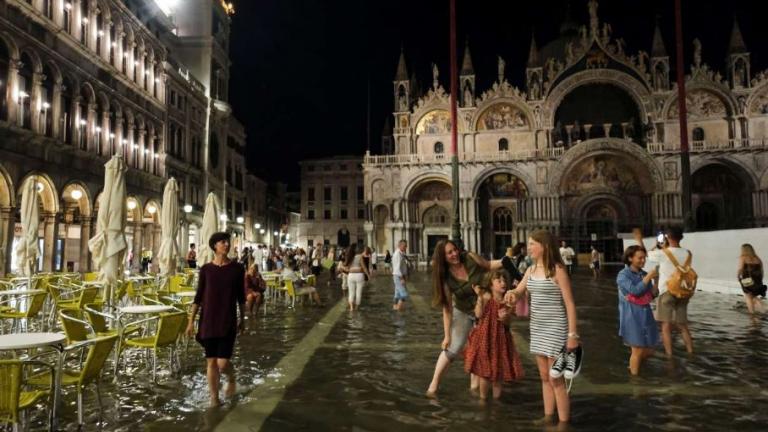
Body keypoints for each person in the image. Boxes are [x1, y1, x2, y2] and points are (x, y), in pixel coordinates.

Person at [504, 230, 580, 427]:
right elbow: (519, 291)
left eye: (532, 244)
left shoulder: (558, 270)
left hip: (556, 328)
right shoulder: (530, 270)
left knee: (556, 379)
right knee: (544, 377)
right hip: (537, 328)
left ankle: (563, 424)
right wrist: (511, 294)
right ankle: (548, 418)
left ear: (544, 246)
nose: (528, 248)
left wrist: (572, 335)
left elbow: (570, 304)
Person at [425, 239, 504, 397]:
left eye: (455, 250)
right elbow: (447, 308)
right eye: (449, 253)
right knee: (453, 348)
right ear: (443, 257)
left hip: (485, 310)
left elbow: (488, 265)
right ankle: (433, 384)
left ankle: (475, 387)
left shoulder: (470, 257)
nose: (454, 254)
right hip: (463, 311)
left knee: (482, 349)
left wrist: (506, 261)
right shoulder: (445, 277)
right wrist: (447, 335)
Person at [186, 232, 246, 407]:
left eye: (227, 242)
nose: (226, 245)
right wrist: (191, 322)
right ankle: (214, 398)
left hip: (227, 320)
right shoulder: (205, 269)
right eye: (222, 242)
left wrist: (243, 319)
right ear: (214, 246)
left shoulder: (237, 269)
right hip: (208, 321)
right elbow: (198, 297)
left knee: (222, 362)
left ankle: (232, 377)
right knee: (211, 361)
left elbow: (241, 297)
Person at [464, 269, 524, 400]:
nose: (503, 283)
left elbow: (509, 323)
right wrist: (479, 297)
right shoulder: (486, 297)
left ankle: (497, 399)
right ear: (491, 284)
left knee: (499, 371)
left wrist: (506, 317)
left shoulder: (508, 300)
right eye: (499, 281)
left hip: (501, 339)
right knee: (484, 372)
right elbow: (478, 315)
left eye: (504, 280)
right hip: (485, 338)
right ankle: (483, 399)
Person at [647, 227, 694, 357]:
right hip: (683, 291)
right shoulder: (688, 253)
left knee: (665, 326)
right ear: (681, 237)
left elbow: (649, 255)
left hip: (667, 292)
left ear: (667, 237)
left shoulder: (663, 252)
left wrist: (658, 244)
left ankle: (669, 355)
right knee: (683, 325)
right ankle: (691, 351)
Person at [618, 235, 660, 376]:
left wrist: (656, 281)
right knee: (637, 349)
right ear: (630, 258)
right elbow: (635, 291)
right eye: (639, 258)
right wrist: (648, 278)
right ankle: (635, 380)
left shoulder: (644, 274)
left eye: (644, 258)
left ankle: (633, 365)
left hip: (645, 313)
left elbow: (653, 295)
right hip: (631, 315)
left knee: (650, 349)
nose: (643, 260)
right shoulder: (623, 275)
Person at [737, 243, 766, 314]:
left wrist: (738, 277)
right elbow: (761, 271)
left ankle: (752, 314)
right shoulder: (758, 259)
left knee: (748, 295)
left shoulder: (743, 257)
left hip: (747, 279)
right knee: (753, 295)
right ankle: (763, 309)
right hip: (757, 280)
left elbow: (740, 269)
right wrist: (760, 280)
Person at [340, 244, 370, 311]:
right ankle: (356, 307)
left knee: (351, 292)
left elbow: (345, 266)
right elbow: (364, 267)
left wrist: (343, 268)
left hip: (351, 275)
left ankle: (351, 308)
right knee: (358, 292)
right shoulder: (360, 257)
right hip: (359, 275)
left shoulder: (350, 257)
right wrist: (368, 275)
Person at [391, 240, 410, 311]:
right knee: (404, 294)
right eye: (405, 246)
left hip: (400, 276)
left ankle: (395, 306)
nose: (406, 247)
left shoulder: (401, 253)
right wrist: (402, 278)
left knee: (397, 294)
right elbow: (397, 268)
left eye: (406, 246)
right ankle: (399, 308)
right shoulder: (397, 254)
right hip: (398, 276)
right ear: (400, 245)